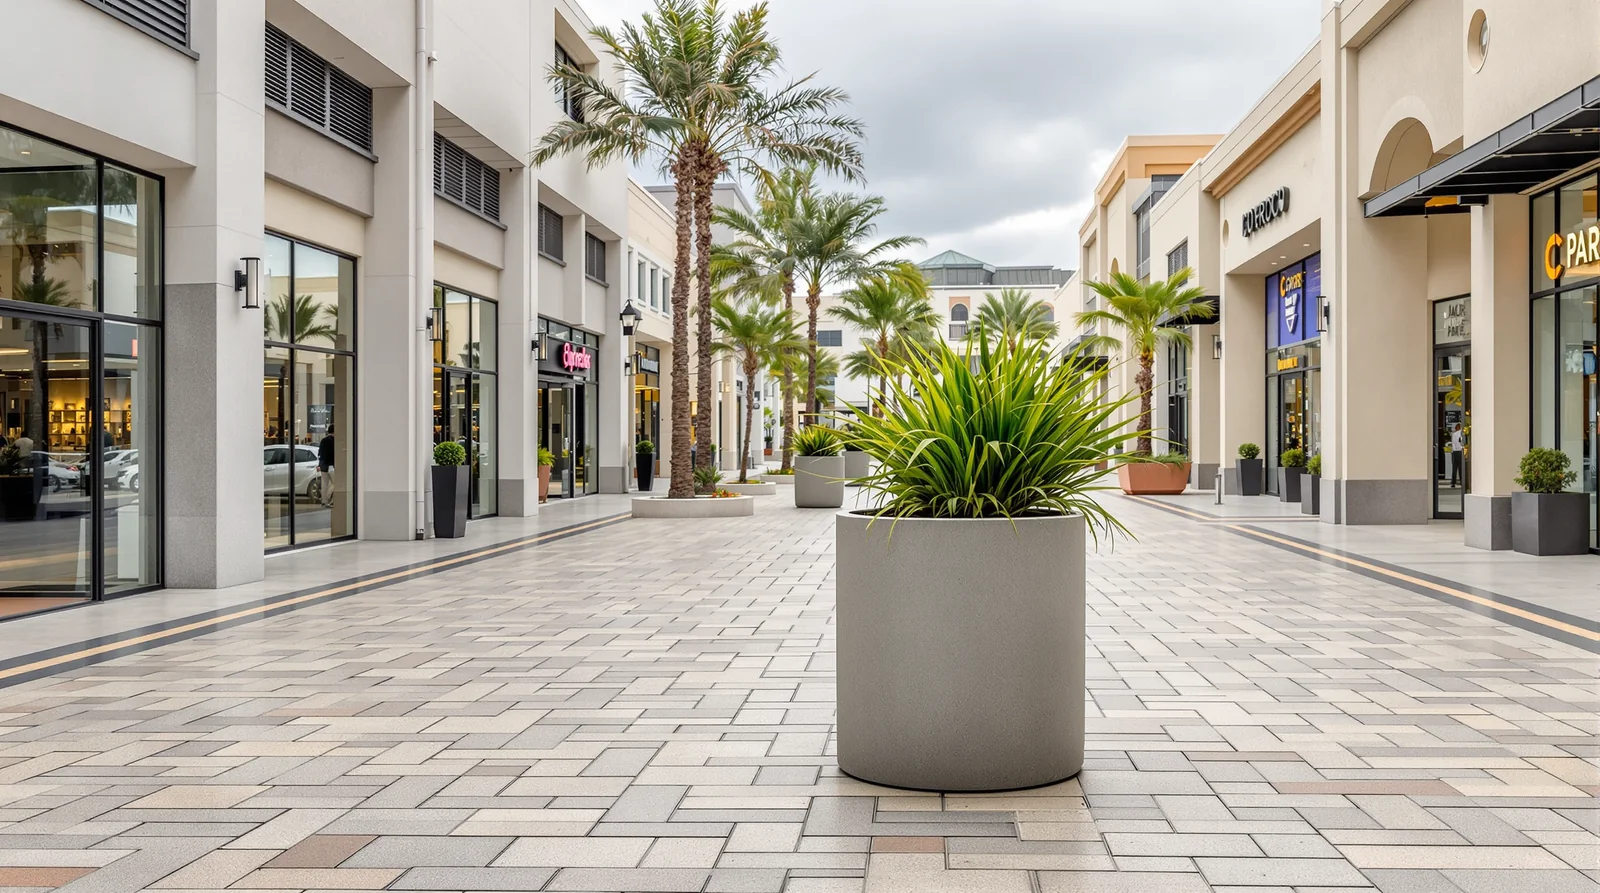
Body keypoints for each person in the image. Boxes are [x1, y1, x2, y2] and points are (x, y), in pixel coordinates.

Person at [317, 426, 335, 508]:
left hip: (323, 464)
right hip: (330, 465)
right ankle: (328, 497)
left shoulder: (323, 440)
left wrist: (320, 464)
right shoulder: (333, 441)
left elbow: (320, 452)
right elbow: (332, 454)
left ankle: (324, 501)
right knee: (335, 483)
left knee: (324, 483)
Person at [1448, 423, 1465, 488]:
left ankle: (1453, 482)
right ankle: (1461, 481)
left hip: (1455, 452)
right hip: (1460, 451)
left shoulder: (1454, 434)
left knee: (1454, 468)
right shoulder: (1462, 434)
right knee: (1461, 468)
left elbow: (1453, 444)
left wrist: (1454, 450)